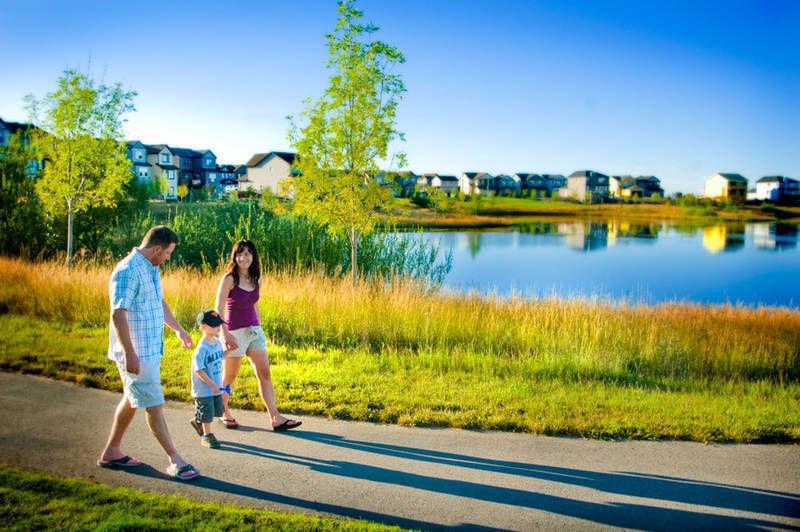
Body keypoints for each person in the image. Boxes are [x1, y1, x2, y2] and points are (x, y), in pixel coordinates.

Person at [98, 225, 200, 481]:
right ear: (156, 249)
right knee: (154, 406)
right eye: (168, 253)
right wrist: (129, 353)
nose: (168, 257)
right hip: (137, 354)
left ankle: (111, 451)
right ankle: (176, 460)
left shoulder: (151, 268)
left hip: (150, 350)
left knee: (132, 399)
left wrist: (178, 329)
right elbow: (117, 313)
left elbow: (159, 302)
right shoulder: (127, 271)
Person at [216, 239, 301, 431]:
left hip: (254, 332)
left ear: (253, 256)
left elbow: (255, 304)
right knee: (229, 376)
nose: (243, 257)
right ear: (234, 256)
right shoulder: (229, 279)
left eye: (247, 254)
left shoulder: (257, 278)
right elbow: (218, 308)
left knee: (265, 373)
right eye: (239, 253)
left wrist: (260, 327)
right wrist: (225, 333)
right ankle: (223, 410)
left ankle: (275, 417)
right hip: (234, 333)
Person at [189, 310, 226, 449]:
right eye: (213, 325)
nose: (218, 327)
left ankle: (198, 420)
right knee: (208, 413)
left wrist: (229, 351)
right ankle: (207, 436)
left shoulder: (216, 342)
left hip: (216, 385)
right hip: (204, 388)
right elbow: (199, 370)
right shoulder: (201, 349)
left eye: (219, 324)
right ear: (202, 327)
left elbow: (220, 357)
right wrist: (211, 384)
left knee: (217, 411)